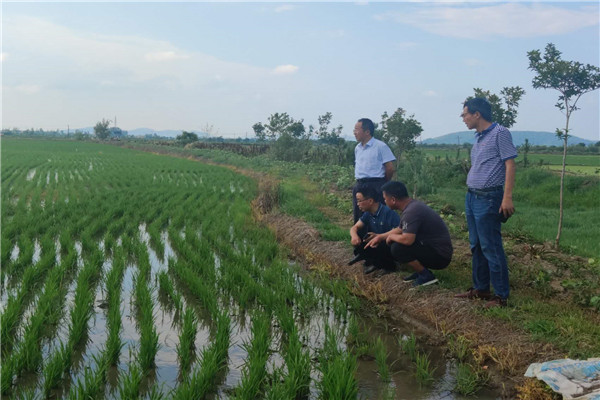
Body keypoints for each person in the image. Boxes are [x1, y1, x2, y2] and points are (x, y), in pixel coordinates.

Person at [455, 97, 517, 308]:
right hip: (472, 197)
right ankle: (481, 288)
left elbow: (510, 164)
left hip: (489, 198)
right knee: (476, 245)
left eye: (465, 114)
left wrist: (507, 197)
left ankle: (500, 296)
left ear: (477, 114)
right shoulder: (479, 137)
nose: (463, 118)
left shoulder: (500, 133)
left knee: (491, 246)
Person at [365, 181, 453, 288]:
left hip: (440, 256)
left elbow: (407, 240)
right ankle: (420, 271)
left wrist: (391, 237)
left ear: (393, 199)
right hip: (434, 248)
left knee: (397, 248)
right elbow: (400, 229)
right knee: (396, 242)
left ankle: (426, 275)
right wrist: (380, 237)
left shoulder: (411, 211)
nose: (384, 202)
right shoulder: (412, 207)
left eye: (385, 199)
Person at [348, 185, 400, 274]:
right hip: (377, 243)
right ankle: (371, 261)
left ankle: (389, 266)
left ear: (370, 201)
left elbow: (400, 229)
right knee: (359, 234)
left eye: (359, 201)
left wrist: (380, 237)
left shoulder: (388, 212)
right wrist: (354, 236)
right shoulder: (368, 213)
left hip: (388, 244)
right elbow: (354, 228)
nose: (357, 204)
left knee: (379, 244)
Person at [353, 118, 396, 223]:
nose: (354, 132)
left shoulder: (380, 146)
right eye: (354, 129)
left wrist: (384, 183)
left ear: (367, 132)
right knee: (359, 214)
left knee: (377, 216)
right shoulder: (357, 148)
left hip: (376, 185)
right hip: (360, 185)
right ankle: (360, 234)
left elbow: (390, 168)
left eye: (357, 129)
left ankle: (379, 234)